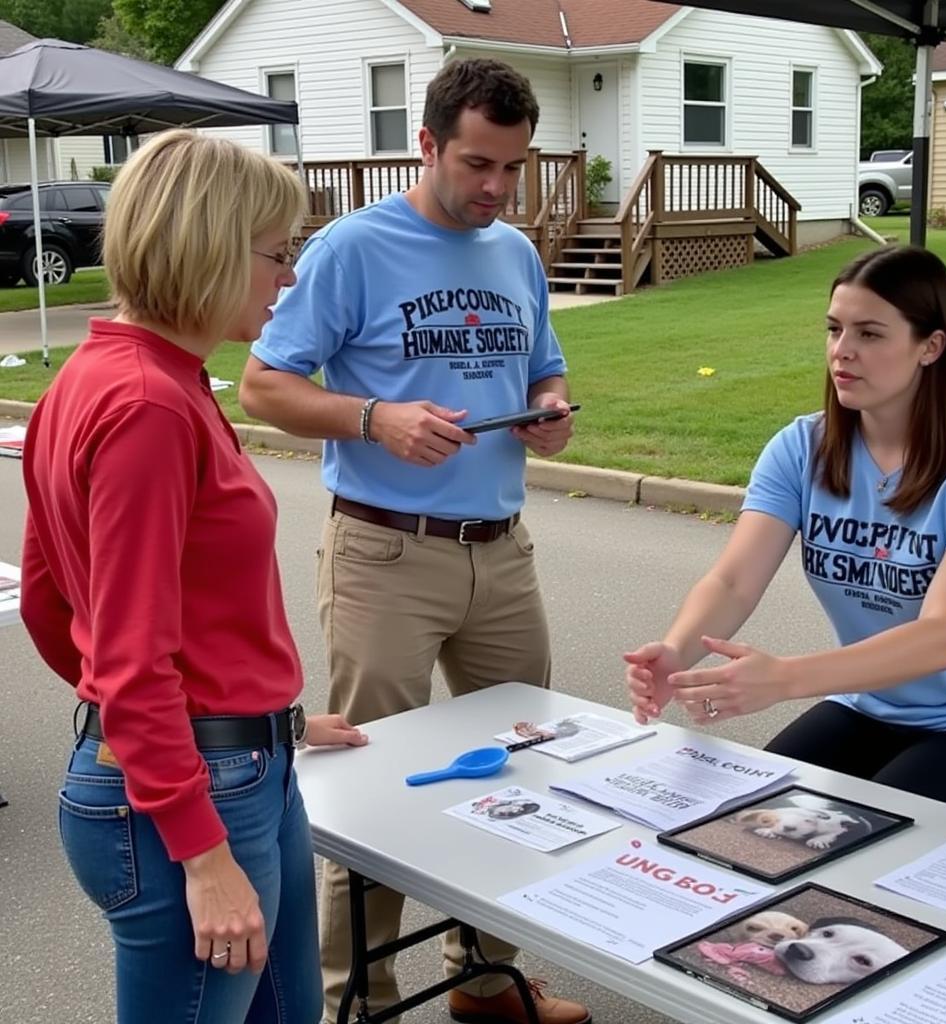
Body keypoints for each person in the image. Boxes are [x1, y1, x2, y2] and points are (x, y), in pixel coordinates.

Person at [239, 58, 587, 1024]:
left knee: (522, 763)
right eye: (478, 164)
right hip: (386, 555)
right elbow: (263, 385)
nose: (495, 189)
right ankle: (358, 998)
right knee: (373, 790)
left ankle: (484, 981)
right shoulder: (352, 249)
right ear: (427, 144)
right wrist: (371, 417)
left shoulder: (513, 254)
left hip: (503, 553)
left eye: (513, 169)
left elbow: (545, 373)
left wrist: (550, 412)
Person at [20, 129, 367, 1024]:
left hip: (233, 762)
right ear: (209, 245)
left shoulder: (126, 377)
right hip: (195, 797)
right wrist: (198, 845)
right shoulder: (146, 406)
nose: (287, 278)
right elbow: (125, 657)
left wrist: (252, 709)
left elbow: (59, 603)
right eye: (277, 254)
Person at [625, 245, 946, 824]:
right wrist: (677, 651)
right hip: (867, 700)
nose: (842, 352)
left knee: (861, 850)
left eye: (869, 334)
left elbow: (945, 636)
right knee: (745, 826)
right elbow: (734, 582)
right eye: (835, 330)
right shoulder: (801, 447)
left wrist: (784, 678)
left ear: (930, 347)